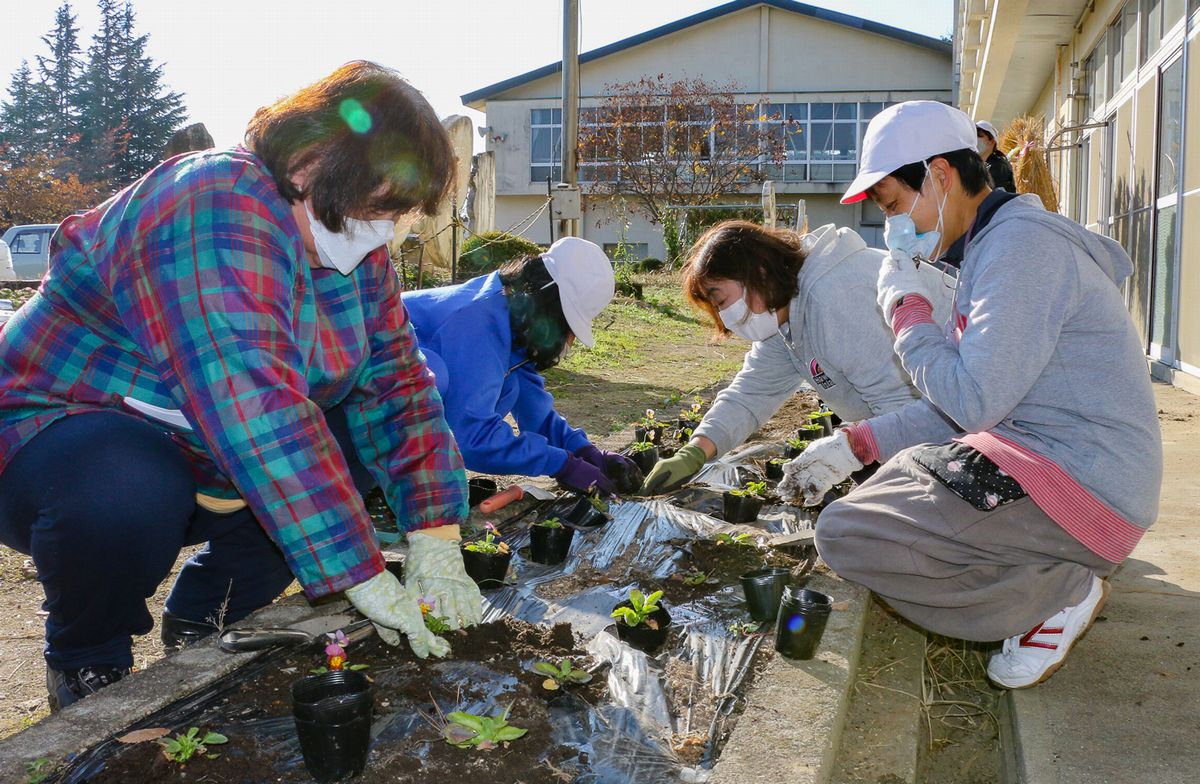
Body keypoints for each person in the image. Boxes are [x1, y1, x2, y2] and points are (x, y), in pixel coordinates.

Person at [0, 62, 483, 711]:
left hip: (194, 444)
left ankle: (214, 616)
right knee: (125, 482)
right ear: (311, 165)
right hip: (54, 437)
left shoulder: (356, 254)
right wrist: (361, 572)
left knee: (343, 438)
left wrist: (434, 533)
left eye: (397, 215)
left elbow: (398, 383)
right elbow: (258, 405)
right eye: (380, 206)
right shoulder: (215, 199)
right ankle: (89, 660)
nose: (384, 232)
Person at [781, 100, 1161, 689]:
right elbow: (962, 403)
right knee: (894, 477)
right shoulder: (991, 249)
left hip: (1083, 488)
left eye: (892, 204)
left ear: (939, 174)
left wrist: (907, 313)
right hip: (1047, 462)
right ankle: (1045, 572)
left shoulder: (1021, 250)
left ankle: (1057, 593)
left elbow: (973, 402)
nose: (893, 228)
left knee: (845, 533)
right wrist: (857, 444)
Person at [640, 220, 954, 495]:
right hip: (923, 427)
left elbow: (905, 404)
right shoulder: (784, 314)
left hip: (961, 429)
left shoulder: (834, 298)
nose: (724, 315)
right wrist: (695, 452)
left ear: (758, 272)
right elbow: (752, 394)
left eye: (720, 300)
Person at [402, 237, 642, 497]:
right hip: (360, 411)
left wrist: (584, 451)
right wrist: (561, 464)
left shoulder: (509, 317)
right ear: (550, 303)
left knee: (511, 385)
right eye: (569, 325)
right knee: (432, 375)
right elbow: (473, 438)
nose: (569, 339)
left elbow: (535, 410)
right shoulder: (476, 323)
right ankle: (387, 484)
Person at [975, 120, 1015, 192]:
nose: (975, 139)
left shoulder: (999, 166)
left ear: (992, 141)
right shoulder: (978, 166)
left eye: (979, 135)